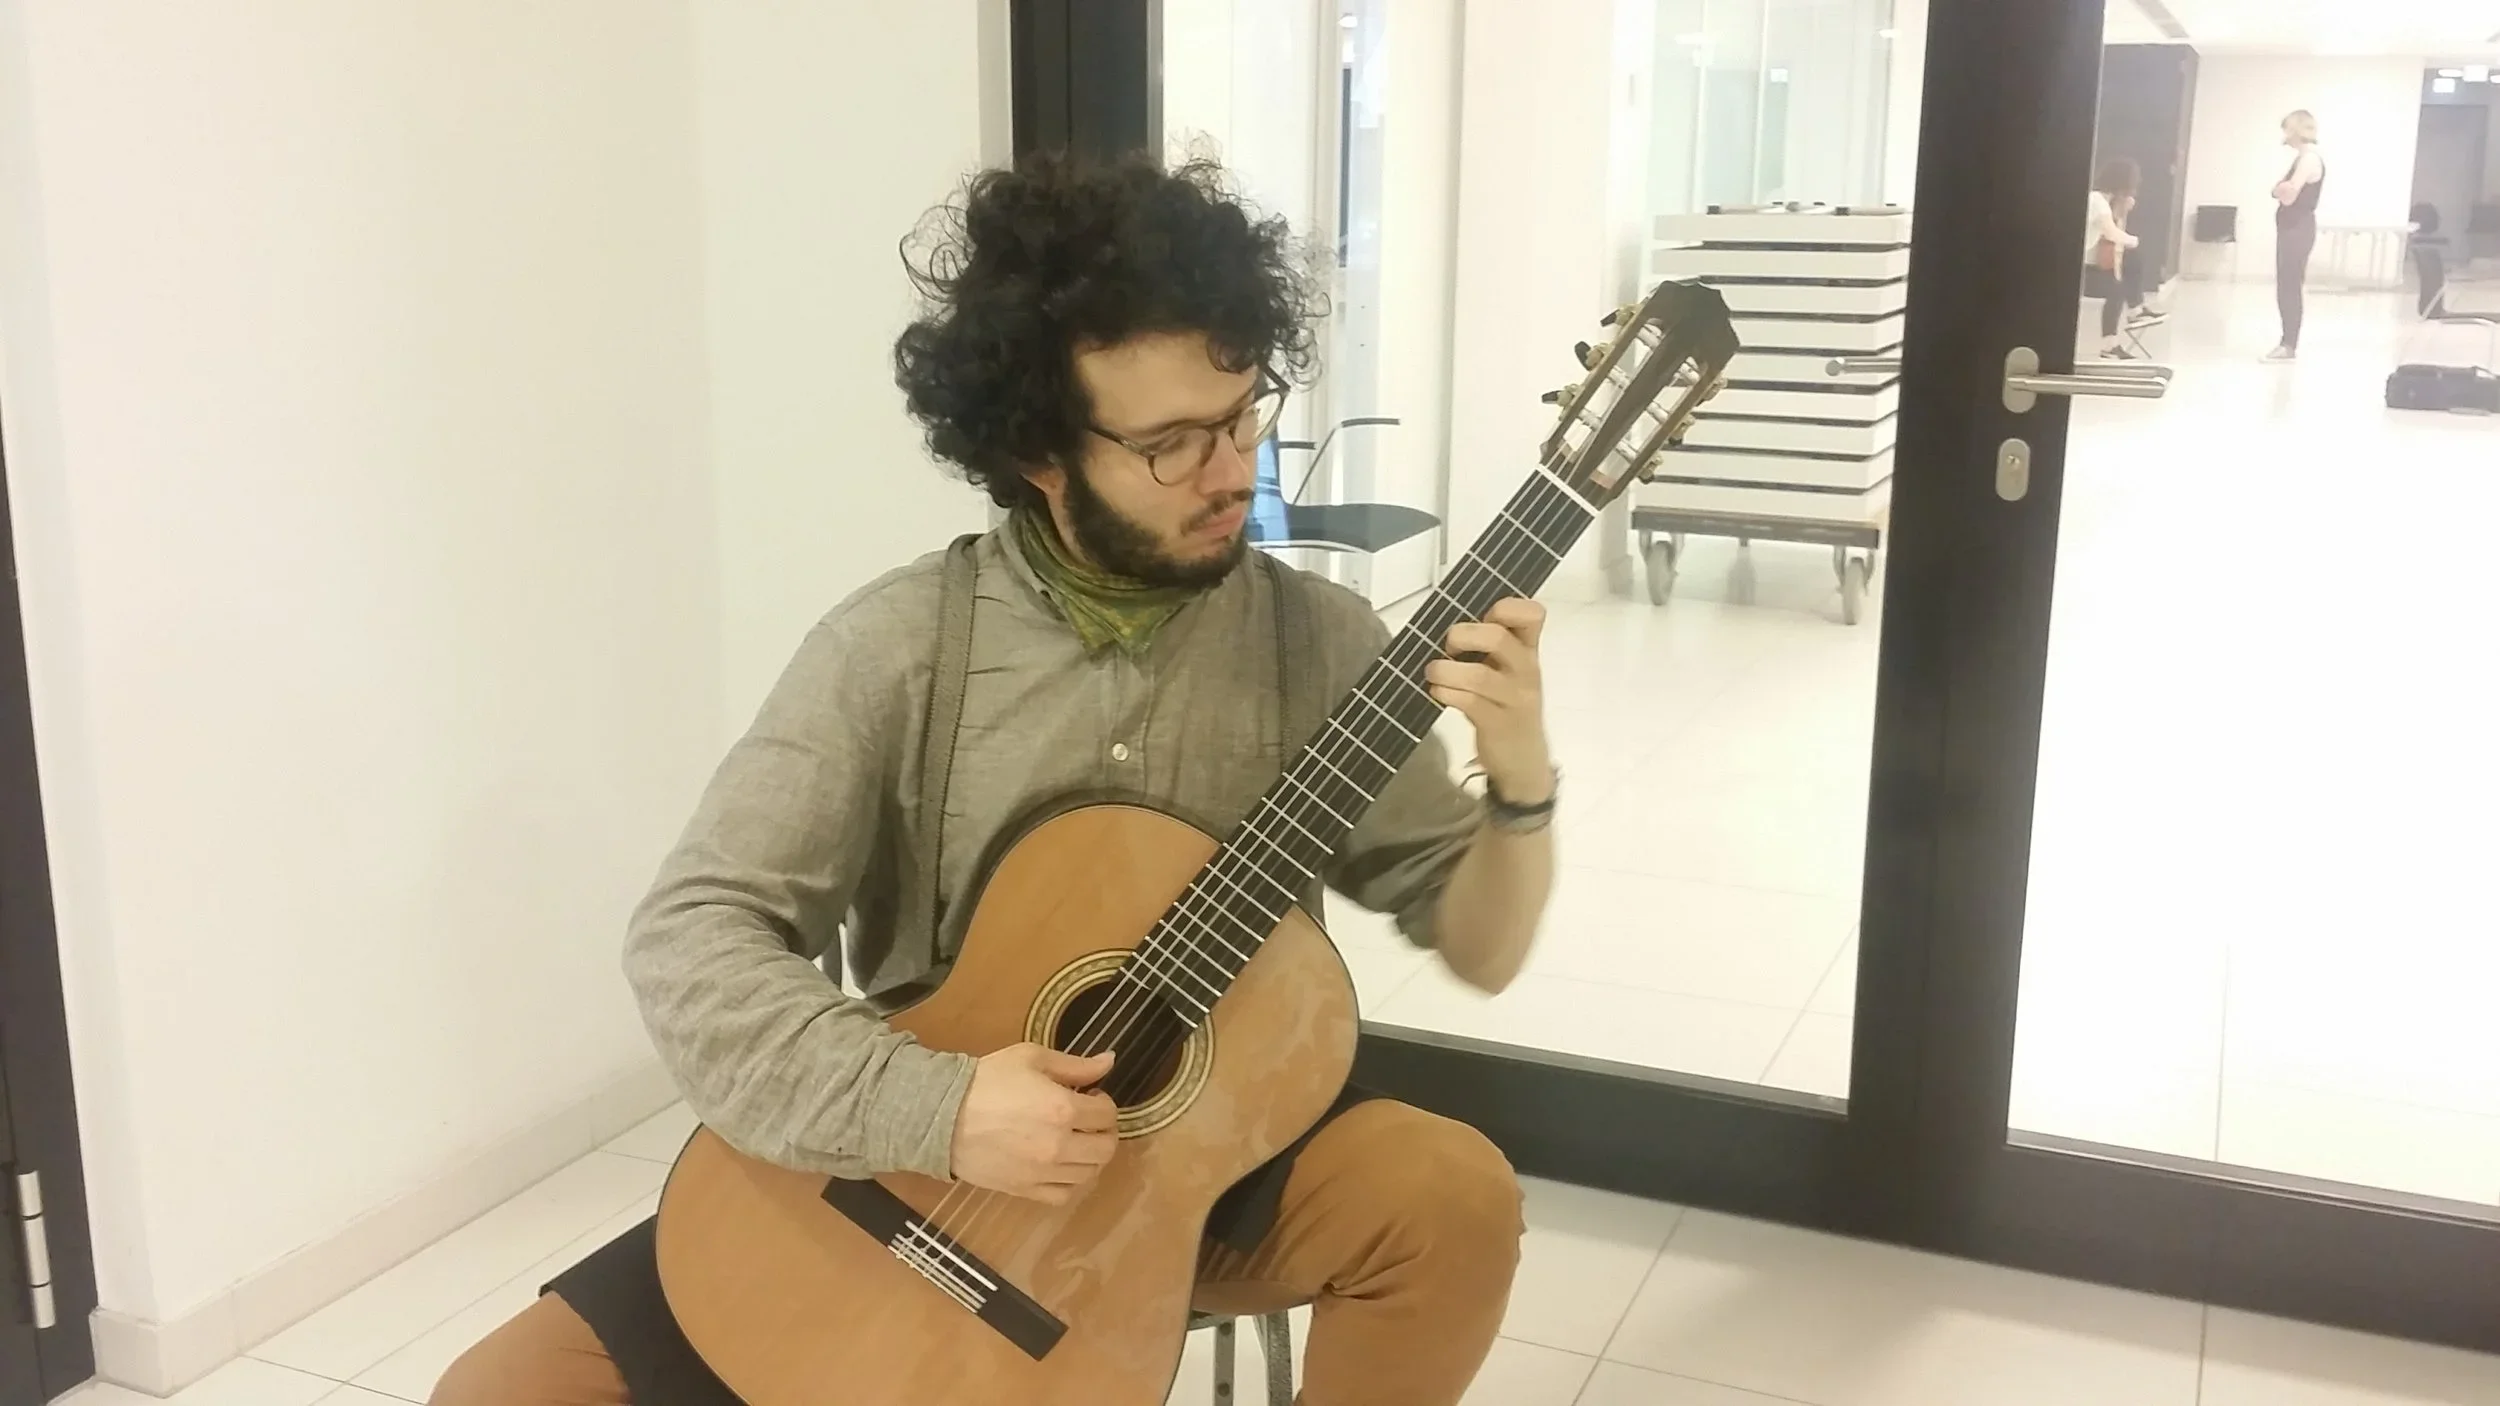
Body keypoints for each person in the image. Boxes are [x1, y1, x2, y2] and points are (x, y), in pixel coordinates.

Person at [428, 153, 1551, 1406]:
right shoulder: (898, 647)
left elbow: (1484, 945)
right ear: (1037, 449)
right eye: (1171, 443)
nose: (1234, 471)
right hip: (911, 1170)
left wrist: (1520, 789)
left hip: (1209, 1160)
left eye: (1240, 413)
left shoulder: (1322, 645)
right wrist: (942, 1106)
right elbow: (692, 939)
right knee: (498, 1394)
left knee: (1451, 1193)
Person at [2266, 109, 2325, 362]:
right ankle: (2287, 341)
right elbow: (2277, 191)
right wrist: (2280, 189)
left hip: (2297, 228)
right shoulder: (2302, 158)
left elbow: (2288, 195)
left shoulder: (2309, 159)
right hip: (2292, 227)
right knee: (2286, 284)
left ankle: (2288, 343)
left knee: (2289, 285)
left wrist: (2281, 189)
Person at [2084, 156, 2156, 359]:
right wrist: (2134, 240)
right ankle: (2112, 342)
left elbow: (2114, 223)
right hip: (2080, 267)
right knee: (2116, 289)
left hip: (2089, 263)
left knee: (2130, 263)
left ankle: (2134, 311)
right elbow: (2111, 233)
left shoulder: (2103, 201)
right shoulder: (2097, 201)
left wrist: (2124, 207)